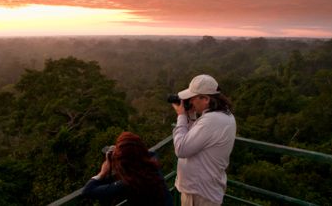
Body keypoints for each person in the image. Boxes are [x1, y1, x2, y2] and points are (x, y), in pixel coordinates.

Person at [171, 74, 236, 206]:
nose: (190, 102)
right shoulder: (223, 115)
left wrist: (181, 116)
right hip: (205, 191)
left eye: (192, 98)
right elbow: (194, 139)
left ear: (206, 99)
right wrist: (191, 116)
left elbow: (181, 149)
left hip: (199, 195)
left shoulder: (211, 120)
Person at [81, 131, 173, 206]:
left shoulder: (128, 184)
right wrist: (124, 151)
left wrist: (103, 172)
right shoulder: (153, 164)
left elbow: (87, 190)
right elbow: (149, 153)